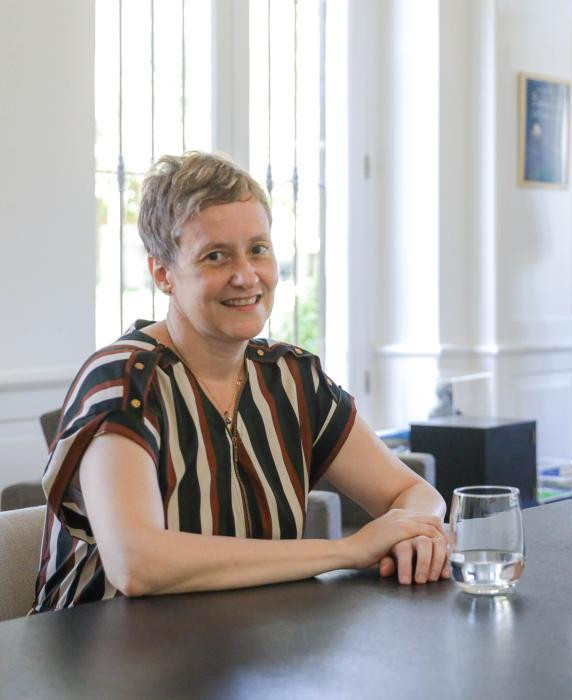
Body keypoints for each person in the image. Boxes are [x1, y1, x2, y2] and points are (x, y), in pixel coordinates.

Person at [34, 152, 449, 612]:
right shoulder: (121, 383)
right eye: (216, 256)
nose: (246, 276)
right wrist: (349, 549)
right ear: (162, 274)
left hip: (249, 652)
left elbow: (415, 493)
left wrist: (417, 532)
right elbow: (138, 564)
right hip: (101, 664)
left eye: (258, 249)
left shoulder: (292, 377)